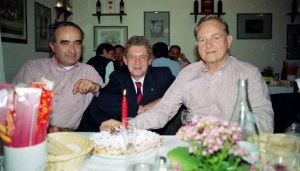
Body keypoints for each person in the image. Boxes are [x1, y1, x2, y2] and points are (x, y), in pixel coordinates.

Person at [100, 15, 274, 133]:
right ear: (197, 44)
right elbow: (162, 111)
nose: (209, 45)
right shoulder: (187, 74)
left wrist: (221, 132)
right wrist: (126, 125)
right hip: (193, 149)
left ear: (228, 41)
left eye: (215, 37)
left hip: (236, 149)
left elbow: (264, 122)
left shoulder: (249, 74)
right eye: (202, 39)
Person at [77, 36, 181, 134]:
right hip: (124, 135)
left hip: (155, 135)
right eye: (132, 57)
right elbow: (104, 99)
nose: (137, 62)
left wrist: (150, 105)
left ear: (150, 60)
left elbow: (180, 93)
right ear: (125, 60)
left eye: (142, 57)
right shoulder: (118, 77)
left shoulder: (163, 74)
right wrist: (138, 108)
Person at [12, 21, 103, 132]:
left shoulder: (89, 72)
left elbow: (108, 99)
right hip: (32, 134)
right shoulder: (33, 68)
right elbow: (13, 107)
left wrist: (96, 88)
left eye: (77, 43)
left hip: (68, 137)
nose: (72, 50)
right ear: (53, 46)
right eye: (65, 43)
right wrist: (45, 128)